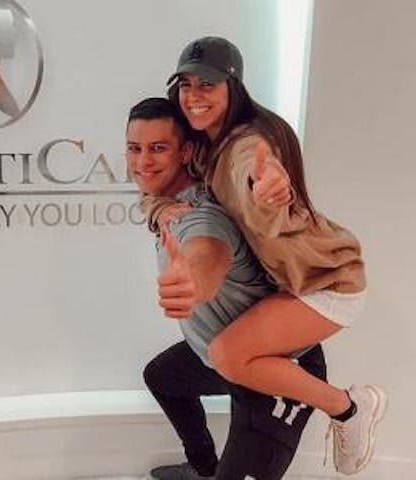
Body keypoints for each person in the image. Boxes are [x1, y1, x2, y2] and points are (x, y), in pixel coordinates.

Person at [142, 37, 389, 475]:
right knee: (172, 373)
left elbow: (253, 170)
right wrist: (157, 206)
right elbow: (162, 183)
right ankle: (204, 467)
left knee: (228, 354)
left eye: (207, 85)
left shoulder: (245, 145)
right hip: (289, 288)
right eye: (186, 84)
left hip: (326, 283)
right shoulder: (203, 146)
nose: (194, 95)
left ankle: (349, 408)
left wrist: (270, 184)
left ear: (233, 87)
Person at [127, 97, 327, 480]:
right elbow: (149, 199)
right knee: (164, 377)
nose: (143, 161)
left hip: (281, 372)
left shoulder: (201, 216)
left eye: (158, 148)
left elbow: (208, 251)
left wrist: (193, 281)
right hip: (230, 357)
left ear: (186, 152)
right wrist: (153, 207)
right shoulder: (167, 200)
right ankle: (204, 468)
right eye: (135, 148)